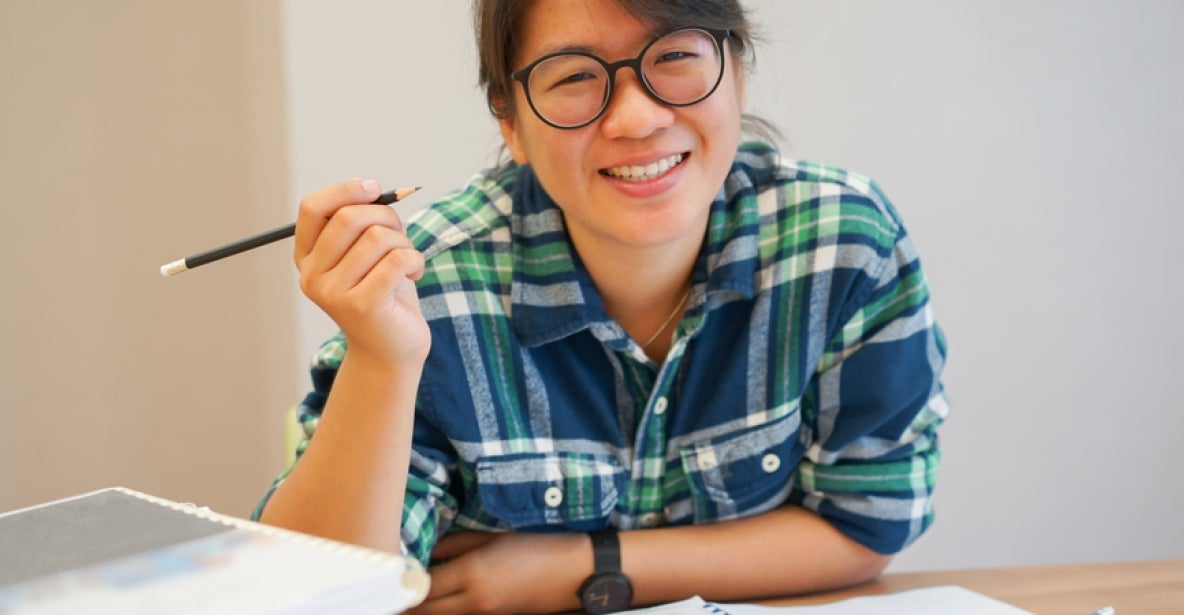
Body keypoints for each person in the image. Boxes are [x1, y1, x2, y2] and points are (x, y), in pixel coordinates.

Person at [254, 0, 949, 613]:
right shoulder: (430, 281)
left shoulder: (840, 244)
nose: (637, 118)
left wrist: (586, 569)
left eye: (675, 56)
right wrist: (384, 358)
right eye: (575, 76)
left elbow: (866, 524)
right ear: (511, 121)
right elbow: (318, 595)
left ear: (737, 70)